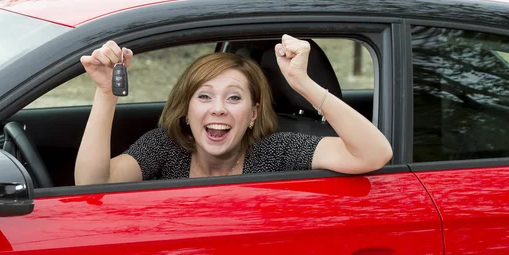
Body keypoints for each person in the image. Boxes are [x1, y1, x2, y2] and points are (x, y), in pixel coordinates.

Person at [75, 34, 392, 184]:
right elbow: (91, 184)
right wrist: (106, 92)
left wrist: (303, 84)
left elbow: (372, 154)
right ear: (186, 111)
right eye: (204, 97)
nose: (218, 110)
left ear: (254, 114)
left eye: (234, 98)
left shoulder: (275, 152)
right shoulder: (166, 146)